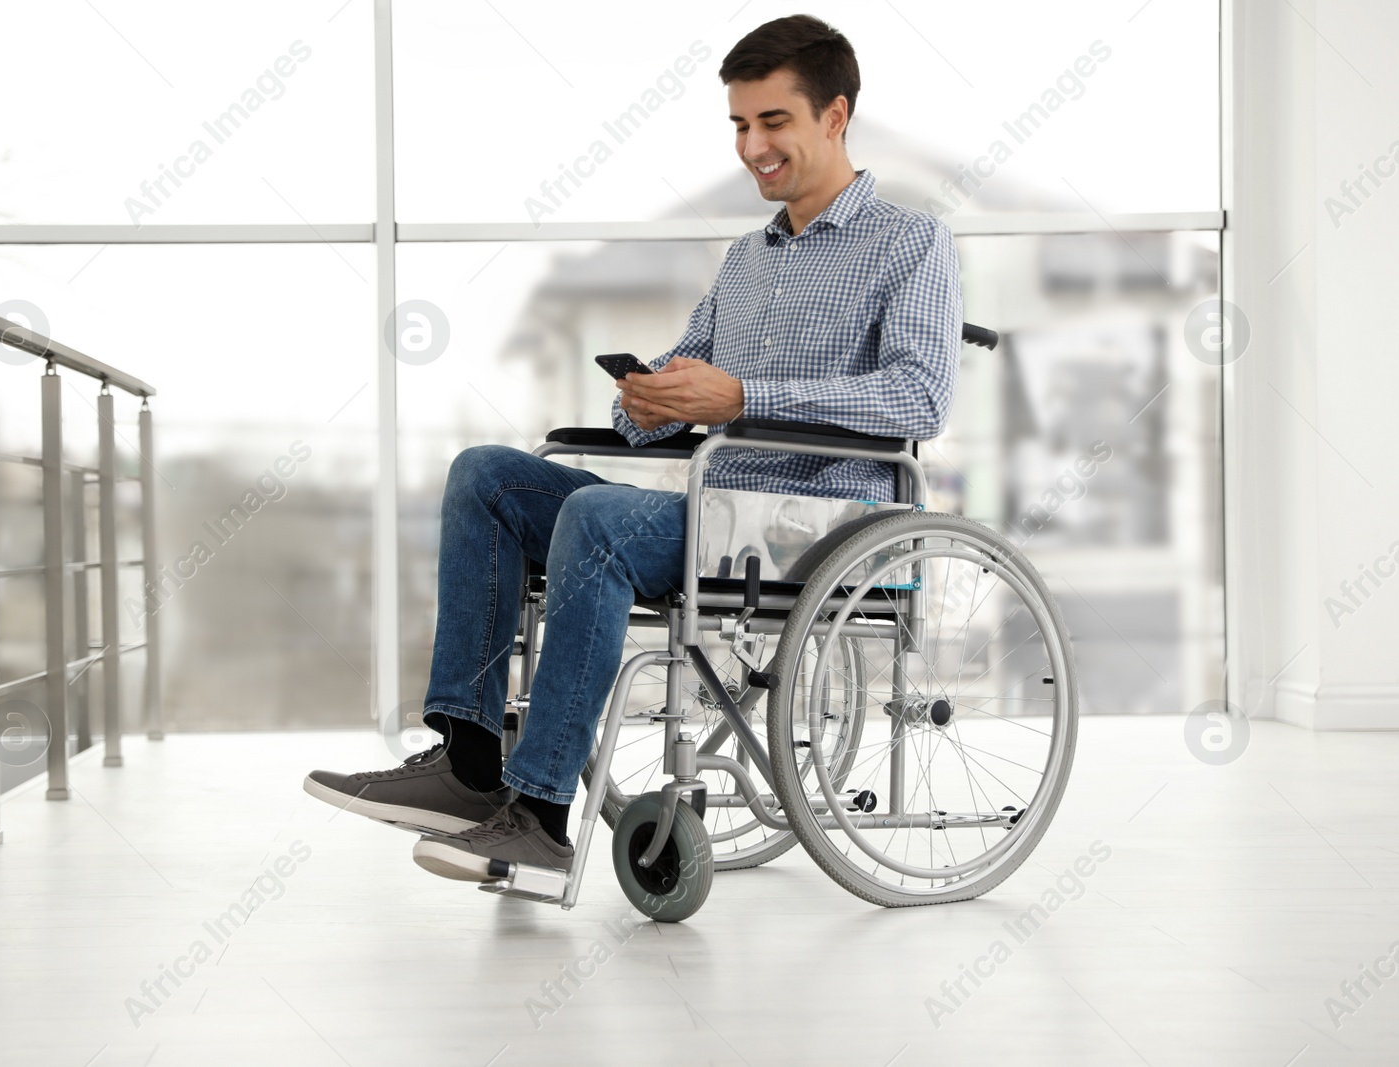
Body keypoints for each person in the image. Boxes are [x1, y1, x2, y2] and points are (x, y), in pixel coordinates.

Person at [304, 13, 962, 884]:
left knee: (597, 516)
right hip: (715, 506)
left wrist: (744, 395)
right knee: (485, 476)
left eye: (773, 123)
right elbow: (687, 388)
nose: (751, 147)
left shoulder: (912, 242)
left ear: (835, 118)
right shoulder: (747, 261)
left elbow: (920, 395)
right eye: (738, 124)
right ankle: (467, 761)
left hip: (819, 523)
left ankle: (537, 817)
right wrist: (648, 399)